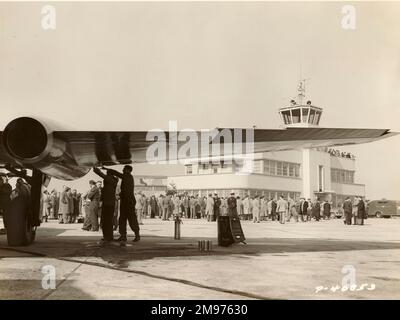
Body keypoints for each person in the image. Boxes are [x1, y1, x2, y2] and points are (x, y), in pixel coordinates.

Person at [107, 165, 140, 244]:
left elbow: (118, 174)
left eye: (124, 169)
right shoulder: (128, 177)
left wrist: (109, 169)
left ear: (128, 170)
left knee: (131, 219)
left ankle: (137, 234)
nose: (123, 170)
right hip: (125, 201)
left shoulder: (128, 177)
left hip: (128, 202)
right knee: (122, 219)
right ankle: (123, 236)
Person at [93, 167, 118, 243]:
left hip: (108, 203)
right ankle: (108, 236)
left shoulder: (111, 180)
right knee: (107, 220)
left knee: (106, 220)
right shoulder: (113, 180)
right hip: (109, 202)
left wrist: (97, 171)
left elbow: (103, 175)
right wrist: (105, 168)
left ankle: (108, 236)